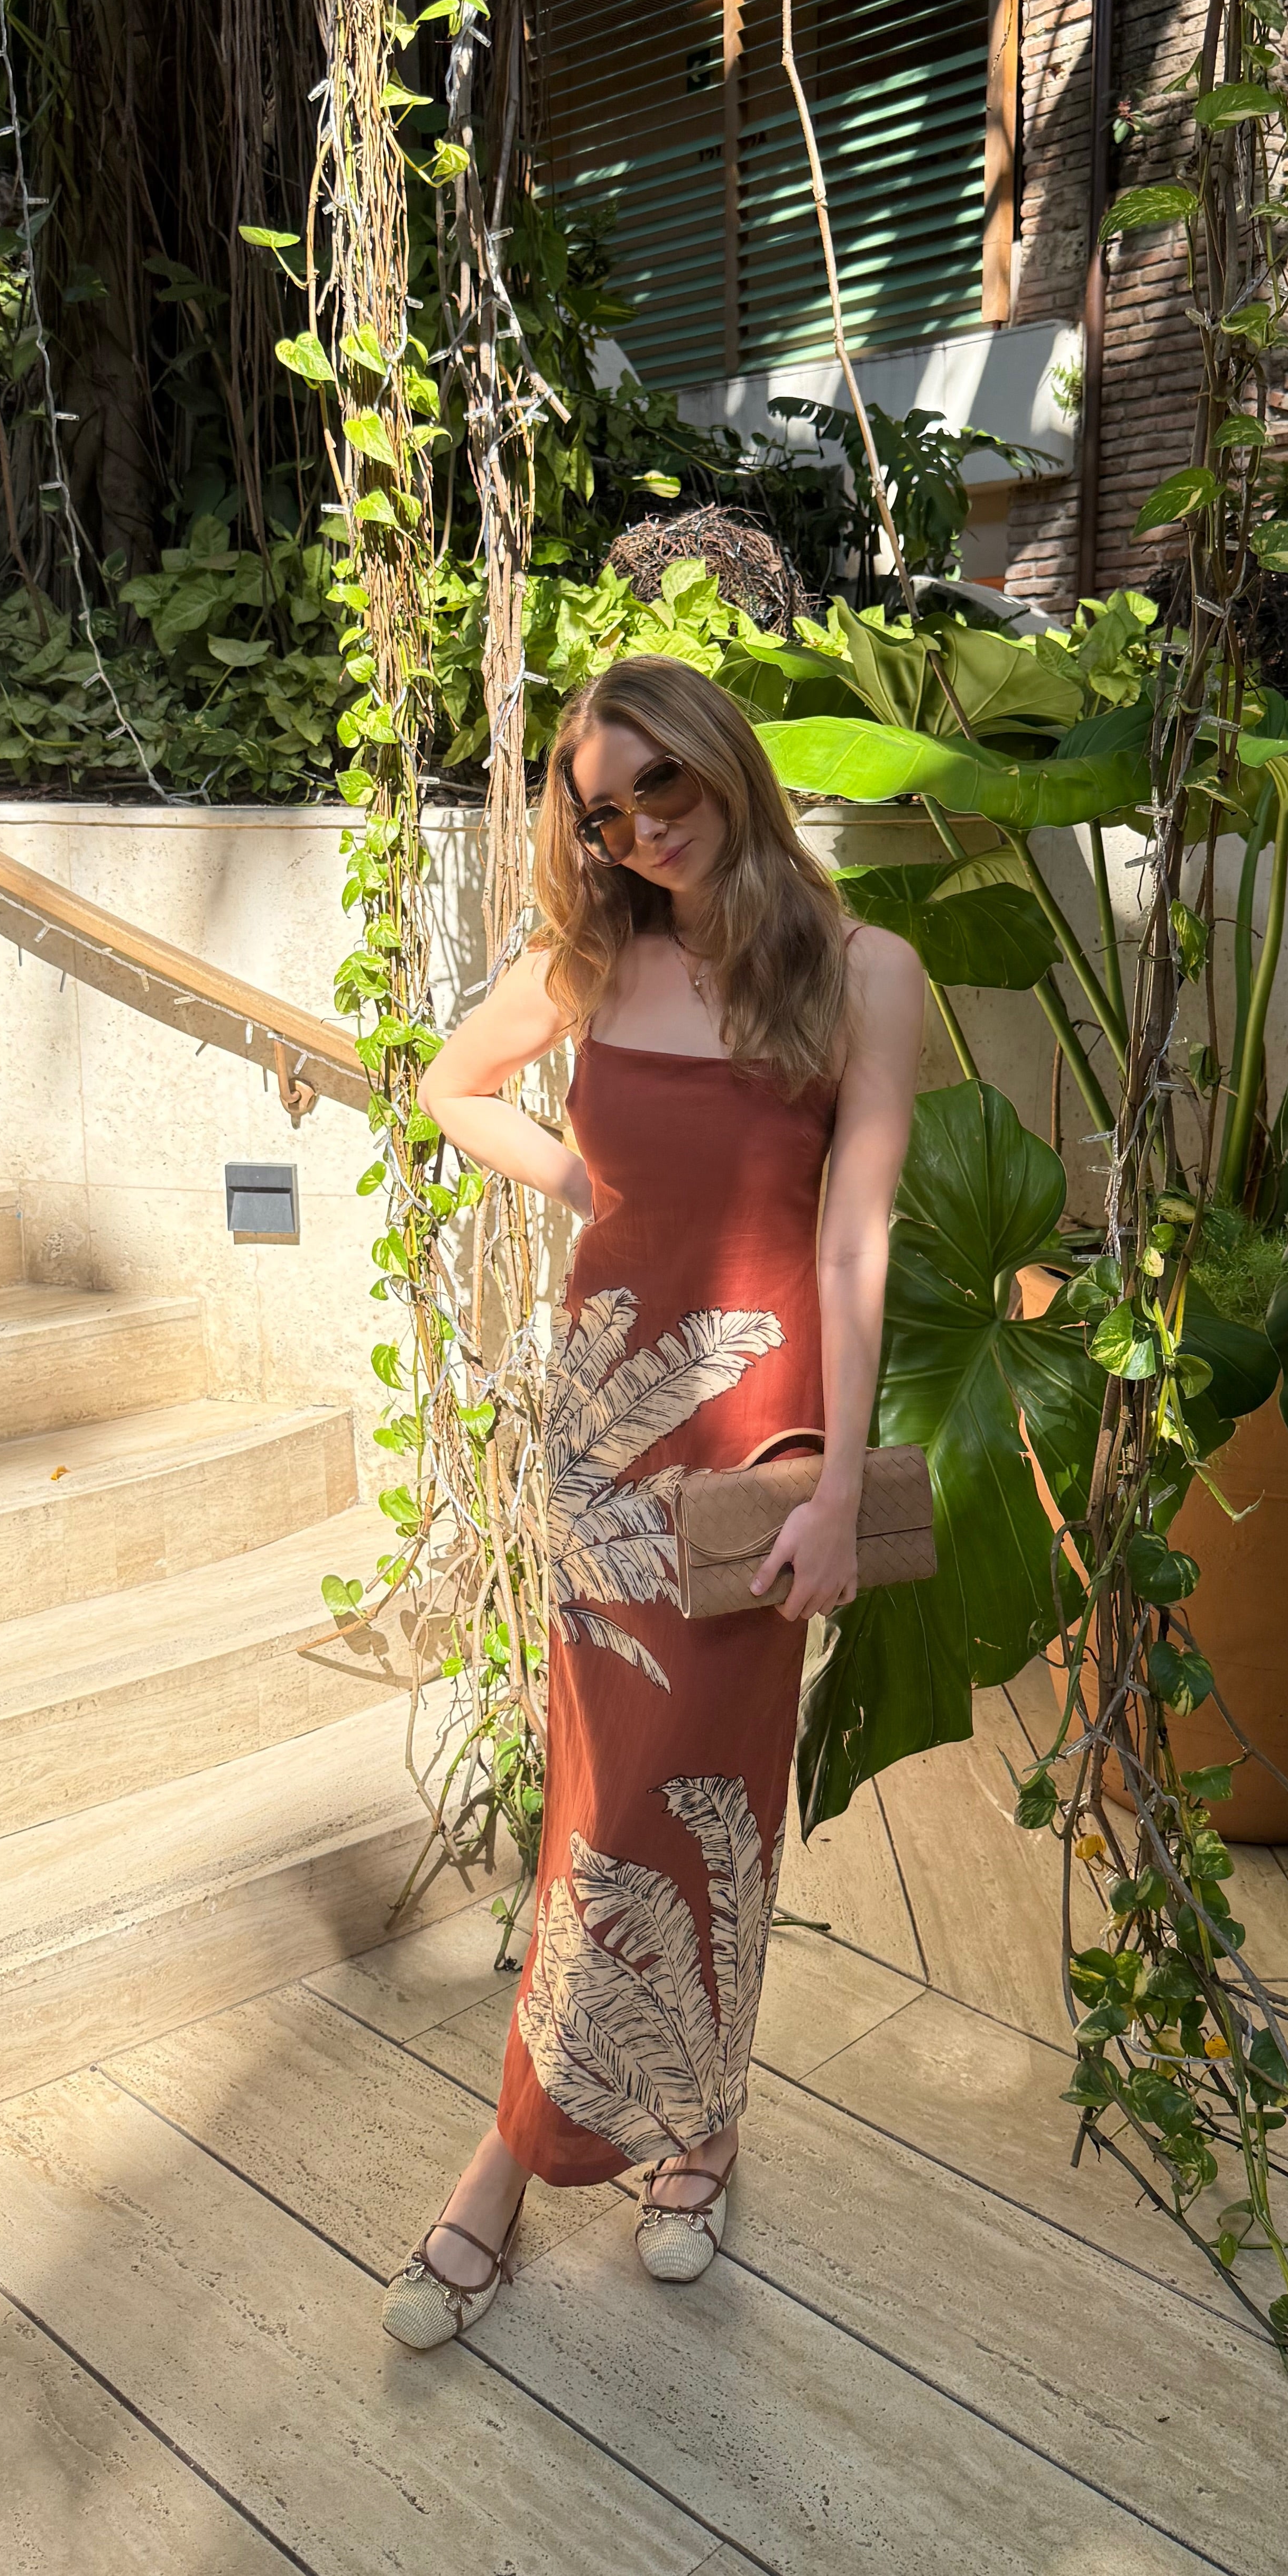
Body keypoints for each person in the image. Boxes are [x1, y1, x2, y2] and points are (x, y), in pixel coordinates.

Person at [380, 651, 925, 2349]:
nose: (638, 833)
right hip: (607, 1443)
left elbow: (856, 1237)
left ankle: (651, 2132)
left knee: (710, 1805)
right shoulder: (590, 961)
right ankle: (550, 2144)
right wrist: (581, 1180)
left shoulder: (861, 974)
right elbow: (447, 1088)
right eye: (603, 810)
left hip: (759, 1457)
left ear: (725, 769)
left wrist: (836, 1477)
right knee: (603, 1800)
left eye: (661, 793)